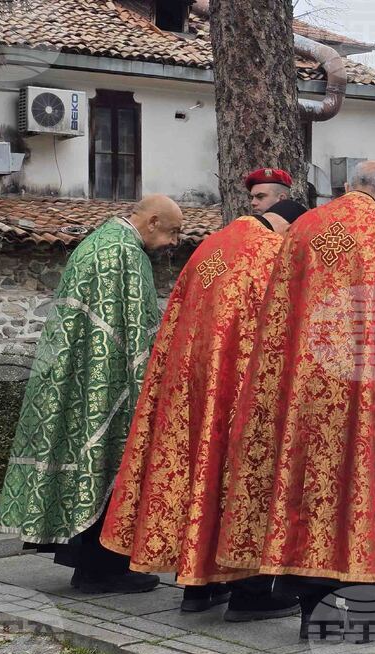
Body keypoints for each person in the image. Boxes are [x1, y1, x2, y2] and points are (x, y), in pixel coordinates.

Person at [215, 161, 375, 640]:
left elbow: (277, 320)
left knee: (310, 494)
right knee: (369, 493)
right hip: (372, 396)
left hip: (305, 396)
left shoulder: (302, 229)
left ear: (346, 189)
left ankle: (313, 614)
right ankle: (368, 613)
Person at [99, 201, 307, 620]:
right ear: (288, 226)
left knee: (202, 482)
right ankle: (252, 594)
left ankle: (198, 590)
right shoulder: (268, 252)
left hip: (191, 392)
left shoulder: (212, 246)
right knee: (243, 484)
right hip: (241, 393)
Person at [0, 194, 183, 594]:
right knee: (108, 465)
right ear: (151, 222)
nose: (173, 243)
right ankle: (104, 570)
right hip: (108, 384)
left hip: (76, 377)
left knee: (86, 464)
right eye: (173, 232)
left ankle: (89, 566)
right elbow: (141, 331)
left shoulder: (95, 243)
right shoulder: (128, 256)